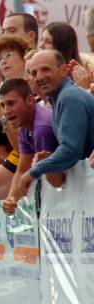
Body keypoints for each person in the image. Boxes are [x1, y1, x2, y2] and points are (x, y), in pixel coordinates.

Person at [14, 50, 94, 200]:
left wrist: (34, 171)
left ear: (64, 70)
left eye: (46, 69)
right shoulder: (59, 99)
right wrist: (49, 159)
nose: (39, 77)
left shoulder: (69, 97)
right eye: (34, 72)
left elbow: (71, 150)